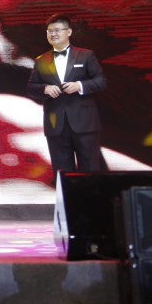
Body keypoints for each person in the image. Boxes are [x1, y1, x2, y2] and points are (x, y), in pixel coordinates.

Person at [27, 14, 107, 183]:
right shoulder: (41, 60)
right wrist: (45, 89)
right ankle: (66, 200)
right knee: (62, 172)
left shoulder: (85, 55)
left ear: (69, 32)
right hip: (56, 124)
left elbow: (101, 81)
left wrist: (79, 85)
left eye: (57, 30)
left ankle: (90, 200)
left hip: (84, 123)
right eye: (49, 31)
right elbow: (31, 87)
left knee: (90, 169)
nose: (53, 34)